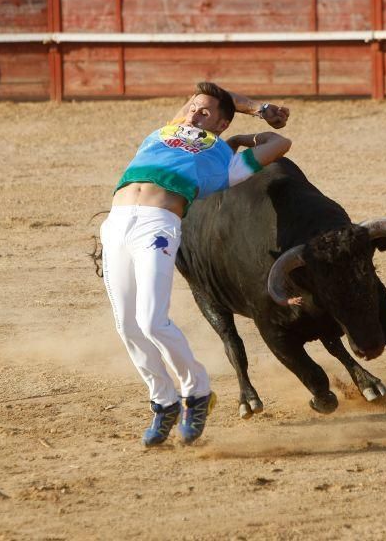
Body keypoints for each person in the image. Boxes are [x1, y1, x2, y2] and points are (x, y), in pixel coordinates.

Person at [100, 81, 291, 446]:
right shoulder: (170, 129)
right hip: (116, 225)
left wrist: (251, 128)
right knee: (127, 325)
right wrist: (253, 106)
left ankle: (197, 391)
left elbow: (281, 144)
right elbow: (215, 94)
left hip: (157, 225)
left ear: (221, 125)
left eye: (204, 112)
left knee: (152, 320)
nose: (193, 113)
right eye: (191, 106)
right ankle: (163, 401)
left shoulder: (227, 163)